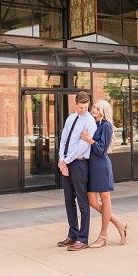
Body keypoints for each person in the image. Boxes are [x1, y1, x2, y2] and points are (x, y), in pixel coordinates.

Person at [81, 99, 128, 247]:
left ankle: (103, 236)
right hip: (91, 166)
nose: (93, 109)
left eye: (96, 108)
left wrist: (90, 140)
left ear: (103, 111)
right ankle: (119, 224)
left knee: (105, 199)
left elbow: (101, 149)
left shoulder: (106, 126)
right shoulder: (93, 124)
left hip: (101, 166)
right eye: (93, 107)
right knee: (92, 202)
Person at [56, 90, 97, 251]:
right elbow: (64, 140)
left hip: (79, 164)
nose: (84, 110)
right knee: (68, 200)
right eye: (81, 107)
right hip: (66, 163)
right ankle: (73, 234)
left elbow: (82, 146)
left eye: (86, 107)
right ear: (76, 104)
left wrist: (65, 161)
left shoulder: (90, 122)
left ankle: (83, 238)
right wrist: (61, 161)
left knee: (82, 201)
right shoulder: (70, 119)